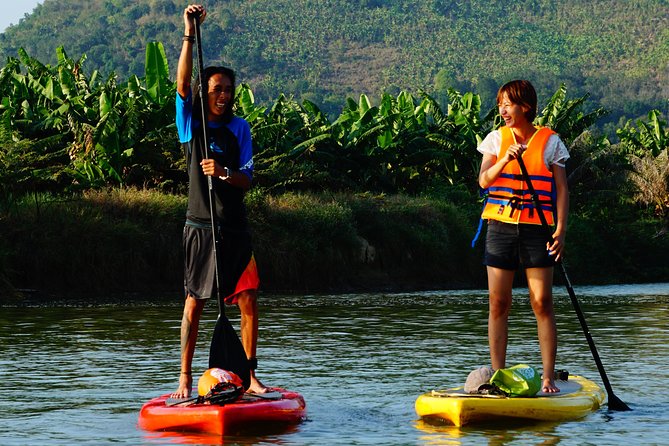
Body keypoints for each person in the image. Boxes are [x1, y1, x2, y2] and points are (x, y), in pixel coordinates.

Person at [171, 4, 267, 398]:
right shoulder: (190, 120)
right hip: (199, 225)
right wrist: (189, 33)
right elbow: (181, 83)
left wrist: (223, 173)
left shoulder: (240, 127)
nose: (224, 95)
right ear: (205, 92)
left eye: (228, 89)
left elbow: (247, 178)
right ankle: (185, 377)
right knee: (194, 304)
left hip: (234, 227)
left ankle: (250, 375)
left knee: (247, 300)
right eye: (217, 89)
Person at [477, 79, 569, 393]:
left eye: (508, 104)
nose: (502, 109)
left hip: (537, 231)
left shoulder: (550, 141)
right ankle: (498, 377)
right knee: (498, 303)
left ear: (525, 107)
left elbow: (562, 189)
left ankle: (547, 377)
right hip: (500, 229)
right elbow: (484, 181)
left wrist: (560, 229)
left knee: (542, 302)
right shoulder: (495, 140)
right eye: (500, 104)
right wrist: (505, 159)